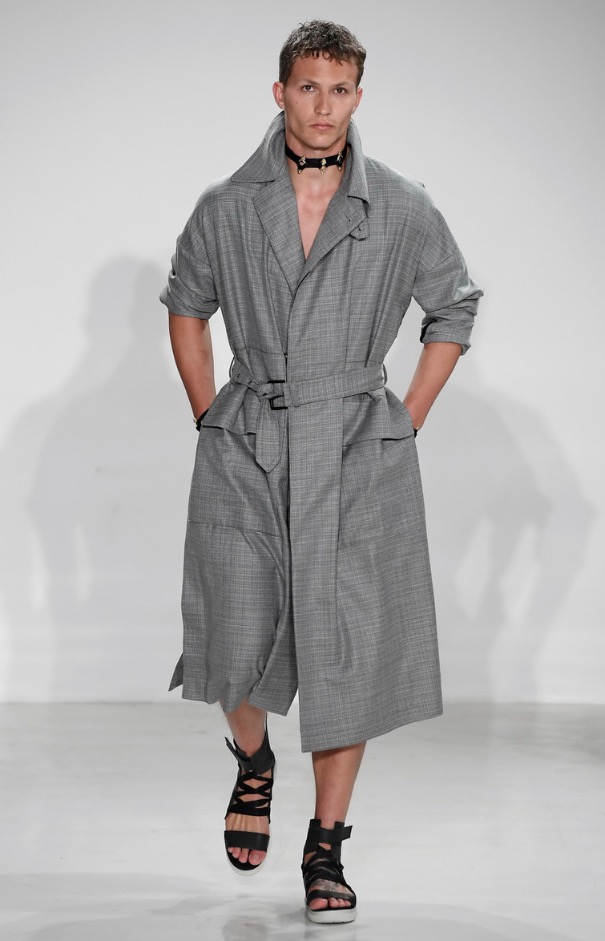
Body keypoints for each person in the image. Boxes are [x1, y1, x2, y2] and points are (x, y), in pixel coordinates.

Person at [160, 19, 482, 925]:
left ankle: (326, 843)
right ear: (280, 92)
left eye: (339, 89)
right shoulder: (226, 205)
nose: (323, 106)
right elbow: (186, 306)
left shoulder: (401, 206)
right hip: (248, 441)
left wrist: (406, 417)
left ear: (357, 96)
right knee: (234, 628)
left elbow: (453, 306)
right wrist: (207, 414)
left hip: (354, 448)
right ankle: (253, 761)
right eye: (308, 86)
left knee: (349, 649)